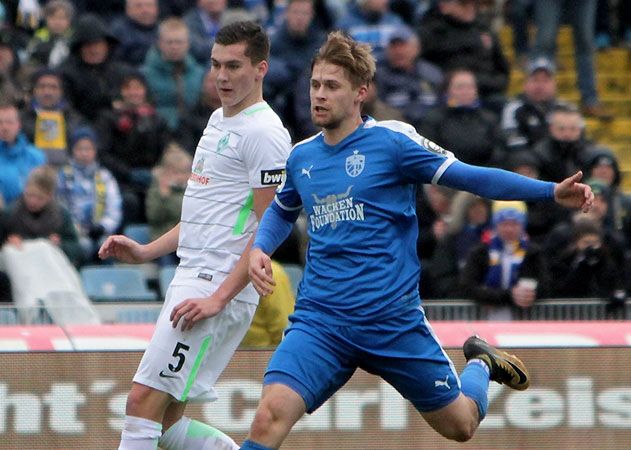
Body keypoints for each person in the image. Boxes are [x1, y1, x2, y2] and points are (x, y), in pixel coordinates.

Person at [242, 31, 593, 449]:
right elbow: (282, 210)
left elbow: (472, 176)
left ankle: (481, 363)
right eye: (315, 85)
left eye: (332, 86)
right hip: (322, 322)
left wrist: (549, 191)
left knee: (460, 425)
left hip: (392, 322)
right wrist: (261, 247)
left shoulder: (393, 142)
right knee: (267, 418)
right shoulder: (302, 156)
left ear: (360, 92)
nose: (319, 95)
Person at [98, 21, 292, 450]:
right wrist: (147, 250)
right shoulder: (218, 120)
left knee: (140, 402)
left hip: (216, 285)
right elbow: (204, 215)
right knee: (165, 426)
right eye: (215, 65)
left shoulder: (265, 133)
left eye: (234, 66)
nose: (221, 76)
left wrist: (218, 298)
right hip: (194, 276)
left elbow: (270, 228)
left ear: (260, 68)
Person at [459, 201, 548, 320]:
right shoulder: (480, 252)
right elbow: (468, 286)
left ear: (523, 225)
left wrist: (530, 295)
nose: (509, 229)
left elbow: (545, 284)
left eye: (514, 224)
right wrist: (509, 295)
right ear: (495, 225)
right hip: (485, 319)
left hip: (524, 319)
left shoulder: (533, 253)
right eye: (504, 224)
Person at [57, 127, 122, 264]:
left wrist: (103, 226)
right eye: (80, 149)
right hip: (74, 232)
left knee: (108, 246)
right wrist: (75, 228)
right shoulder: (64, 176)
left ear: (95, 151)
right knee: (83, 246)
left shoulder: (104, 176)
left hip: (100, 231)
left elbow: (114, 207)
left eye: (89, 149)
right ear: (72, 151)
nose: (84, 153)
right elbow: (60, 206)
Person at [0, 102, 46, 205]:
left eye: (9, 122)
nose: (4, 127)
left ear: (18, 125)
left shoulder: (35, 156)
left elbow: (43, 190)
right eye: (0, 122)